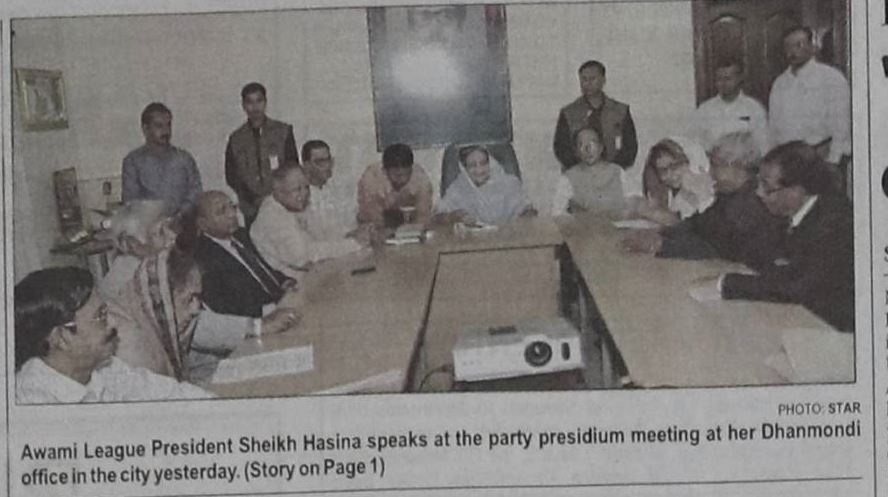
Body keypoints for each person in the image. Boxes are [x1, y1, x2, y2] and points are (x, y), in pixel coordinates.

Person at [692, 141, 854, 333]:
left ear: (798, 190)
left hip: (833, 330)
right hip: (802, 318)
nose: (759, 193)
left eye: (767, 187)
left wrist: (725, 283)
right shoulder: (791, 214)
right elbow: (766, 261)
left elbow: (796, 286)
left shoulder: (834, 223)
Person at [15, 267, 211, 403]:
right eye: (100, 316)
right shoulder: (31, 401)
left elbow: (175, 395)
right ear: (62, 338)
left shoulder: (107, 370)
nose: (113, 323)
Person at [622, 132, 786, 270]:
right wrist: (661, 233)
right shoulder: (728, 194)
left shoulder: (752, 200)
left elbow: (715, 247)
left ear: (735, 165)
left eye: (715, 165)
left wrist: (661, 245)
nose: (711, 172)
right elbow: (698, 225)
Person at [194, 190, 302, 328]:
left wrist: (283, 281)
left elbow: (263, 267)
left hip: (282, 302)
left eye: (232, 207)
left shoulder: (241, 234)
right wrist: (270, 310)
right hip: (260, 322)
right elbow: (223, 308)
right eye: (221, 211)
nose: (232, 214)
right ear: (203, 224)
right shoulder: (202, 259)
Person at [252, 164, 368, 278]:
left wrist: (351, 234)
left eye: (306, 187)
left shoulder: (293, 205)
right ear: (278, 192)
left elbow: (323, 233)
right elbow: (304, 258)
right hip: (296, 283)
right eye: (297, 189)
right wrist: (353, 244)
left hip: (317, 274)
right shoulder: (272, 218)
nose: (304, 194)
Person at [769, 26, 851, 167]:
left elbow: (841, 125)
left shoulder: (831, 78)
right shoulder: (780, 83)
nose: (792, 51)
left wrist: (833, 160)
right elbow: (773, 126)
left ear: (812, 46)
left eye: (798, 45)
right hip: (787, 160)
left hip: (821, 157)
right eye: (788, 46)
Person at [225, 82, 300, 224]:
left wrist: (277, 196)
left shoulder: (283, 131)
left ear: (265, 103)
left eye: (259, 101)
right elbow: (232, 176)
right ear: (243, 105)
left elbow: (292, 167)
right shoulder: (236, 139)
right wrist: (252, 198)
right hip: (251, 208)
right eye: (250, 102)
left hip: (281, 204)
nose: (255, 107)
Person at [553, 60, 638, 171]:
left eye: (592, 79)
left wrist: (611, 169)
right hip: (577, 175)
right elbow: (561, 148)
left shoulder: (620, 112)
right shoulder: (569, 113)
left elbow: (630, 148)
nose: (587, 84)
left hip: (613, 174)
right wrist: (582, 169)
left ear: (603, 80)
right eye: (584, 79)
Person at [122, 102, 202, 217]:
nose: (166, 131)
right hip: (148, 224)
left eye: (168, 125)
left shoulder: (184, 159)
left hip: (184, 223)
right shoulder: (133, 162)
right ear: (145, 129)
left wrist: (178, 217)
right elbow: (131, 202)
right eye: (159, 126)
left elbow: (196, 194)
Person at [434, 145, 535, 226]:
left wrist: (524, 219)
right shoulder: (457, 189)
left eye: (483, 163)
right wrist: (453, 217)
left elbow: (529, 211)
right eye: (472, 165)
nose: (480, 170)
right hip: (471, 242)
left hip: (508, 240)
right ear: (464, 169)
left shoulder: (510, 184)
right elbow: (437, 218)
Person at [98, 199, 176, 301]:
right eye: (160, 232)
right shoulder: (124, 271)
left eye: (167, 225)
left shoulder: (172, 254)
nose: (170, 237)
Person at [692, 59, 768, 155]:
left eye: (728, 78)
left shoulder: (754, 108)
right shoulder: (704, 110)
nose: (723, 83)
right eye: (719, 79)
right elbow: (696, 144)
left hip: (745, 162)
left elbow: (763, 145)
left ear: (739, 78)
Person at [635, 137, 715, 226]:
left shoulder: (712, 185)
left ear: (687, 162)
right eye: (663, 170)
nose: (670, 175)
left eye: (674, 166)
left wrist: (701, 194)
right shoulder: (677, 202)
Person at [551, 127, 627, 215]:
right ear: (576, 152)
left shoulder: (618, 172)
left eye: (592, 142)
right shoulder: (568, 178)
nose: (587, 149)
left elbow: (632, 206)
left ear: (601, 147)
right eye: (581, 144)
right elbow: (557, 213)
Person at [357, 143, 434, 228]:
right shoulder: (370, 180)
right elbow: (371, 218)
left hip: (410, 221)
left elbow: (423, 216)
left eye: (406, 174)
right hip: (377, 220)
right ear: (385, 171)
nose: (402, 179)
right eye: (397, 175)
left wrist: (415, 230)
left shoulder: (421, 179)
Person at [301, 139, 358, 234]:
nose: (327, 166)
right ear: (307, 165)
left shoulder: (339, 189)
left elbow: (351, 221)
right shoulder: (301, 195)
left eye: (329, 160)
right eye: (321, 162)